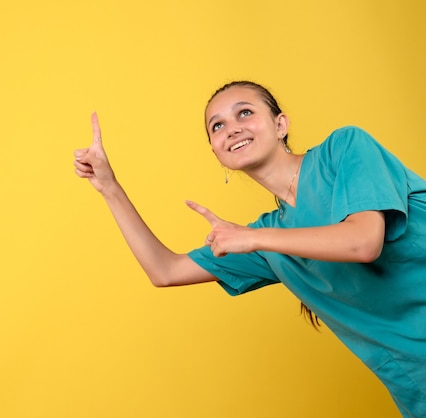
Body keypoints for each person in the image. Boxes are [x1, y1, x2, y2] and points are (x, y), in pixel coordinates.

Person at [73, 80, 426, 417]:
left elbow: (363, 241)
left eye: (245, 113)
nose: (232, 128)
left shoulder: (345, 150)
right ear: (215, 151)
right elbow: (166, 271)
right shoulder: (268, 238)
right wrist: (109, 187)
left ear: (280, 124)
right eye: (217, 126)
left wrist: (254, 239)